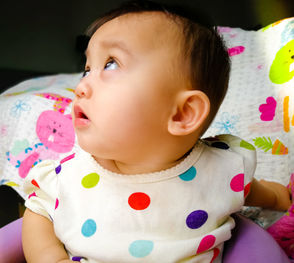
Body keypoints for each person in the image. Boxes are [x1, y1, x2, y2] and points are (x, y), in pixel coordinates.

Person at [21, 1, 291, 262]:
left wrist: (282, 197)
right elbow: (38, 211)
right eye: (87, 69)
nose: (81, 86)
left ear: (183, 113)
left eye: (111, 64)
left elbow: (259, 192)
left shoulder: (224, 169)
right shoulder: (70, 177)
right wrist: (52, 258)